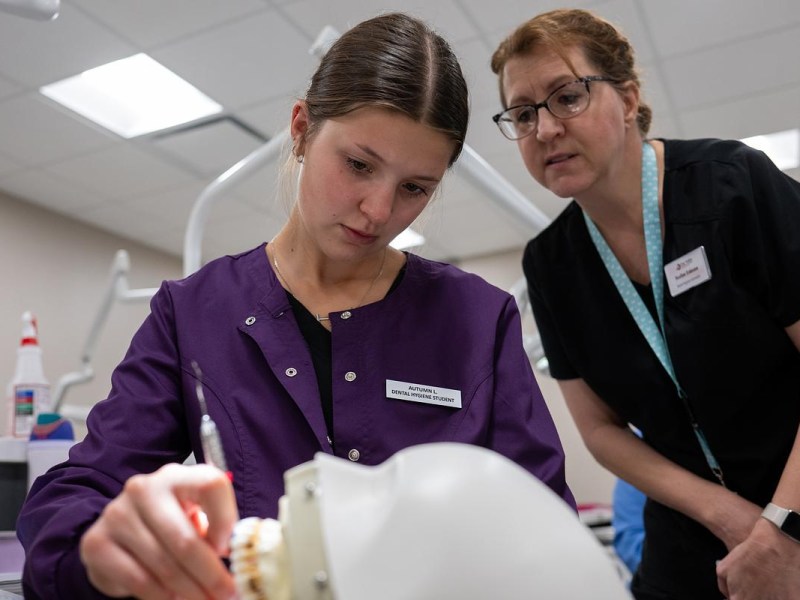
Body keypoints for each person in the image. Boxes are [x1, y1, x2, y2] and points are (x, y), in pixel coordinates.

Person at [17, 12, 575, 600]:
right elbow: (76, 493)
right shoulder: (194, 313)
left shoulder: (478, 320)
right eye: (359, 165)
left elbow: (545, 524)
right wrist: (103, 544)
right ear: (303, 129)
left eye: (415, 188)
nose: (378, 210)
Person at [490, 8, 800, 600]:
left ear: (628, 99)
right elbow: (600, 430)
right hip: (695, 528)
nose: (546, 129)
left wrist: (778, 523)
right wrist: (726, 515)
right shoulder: (551, 265)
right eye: (523, 113)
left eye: (566, 97)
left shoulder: (732, 184)